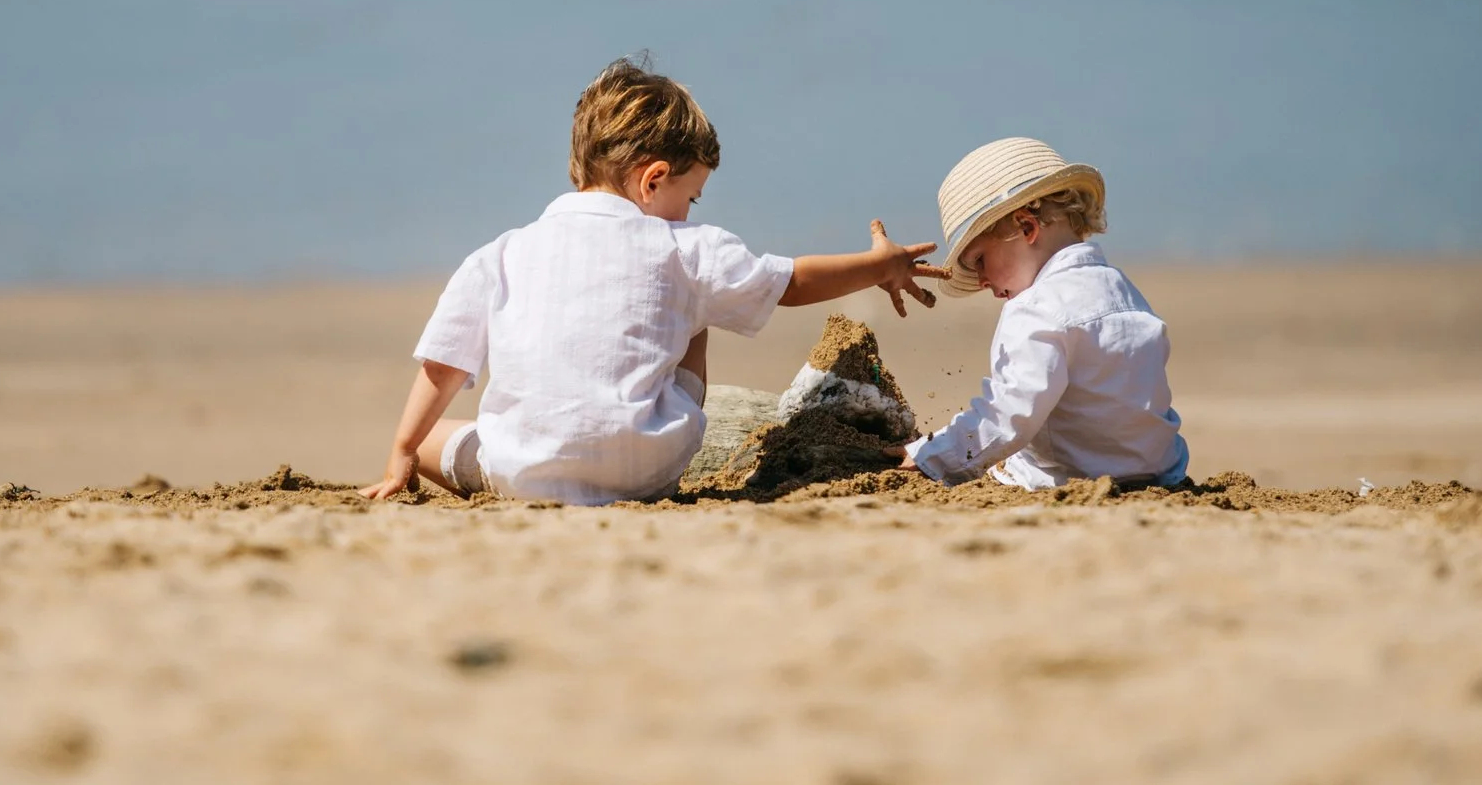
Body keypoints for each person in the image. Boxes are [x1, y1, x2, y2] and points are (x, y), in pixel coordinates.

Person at [363, 57, 941, 504]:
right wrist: (879, 265)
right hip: (645, 470)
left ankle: (479, 459)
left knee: (440, 441)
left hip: (523, 475)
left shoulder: (500, 253)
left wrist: (402, 453)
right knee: (700, 308)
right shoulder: (685, 247)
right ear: (653, 178)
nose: (690, 214)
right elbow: (790, 283)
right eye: (689, 197)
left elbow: (443, 366)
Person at [904, 137, 1189, 490]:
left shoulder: (1034, 307)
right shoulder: (1124, 290)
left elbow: (1009, 416)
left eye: (980, 261)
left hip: (1068, 478)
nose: (981, 281)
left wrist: (927, 455)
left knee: (1010, 464)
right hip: (1160, 474)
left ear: (1027, 228)